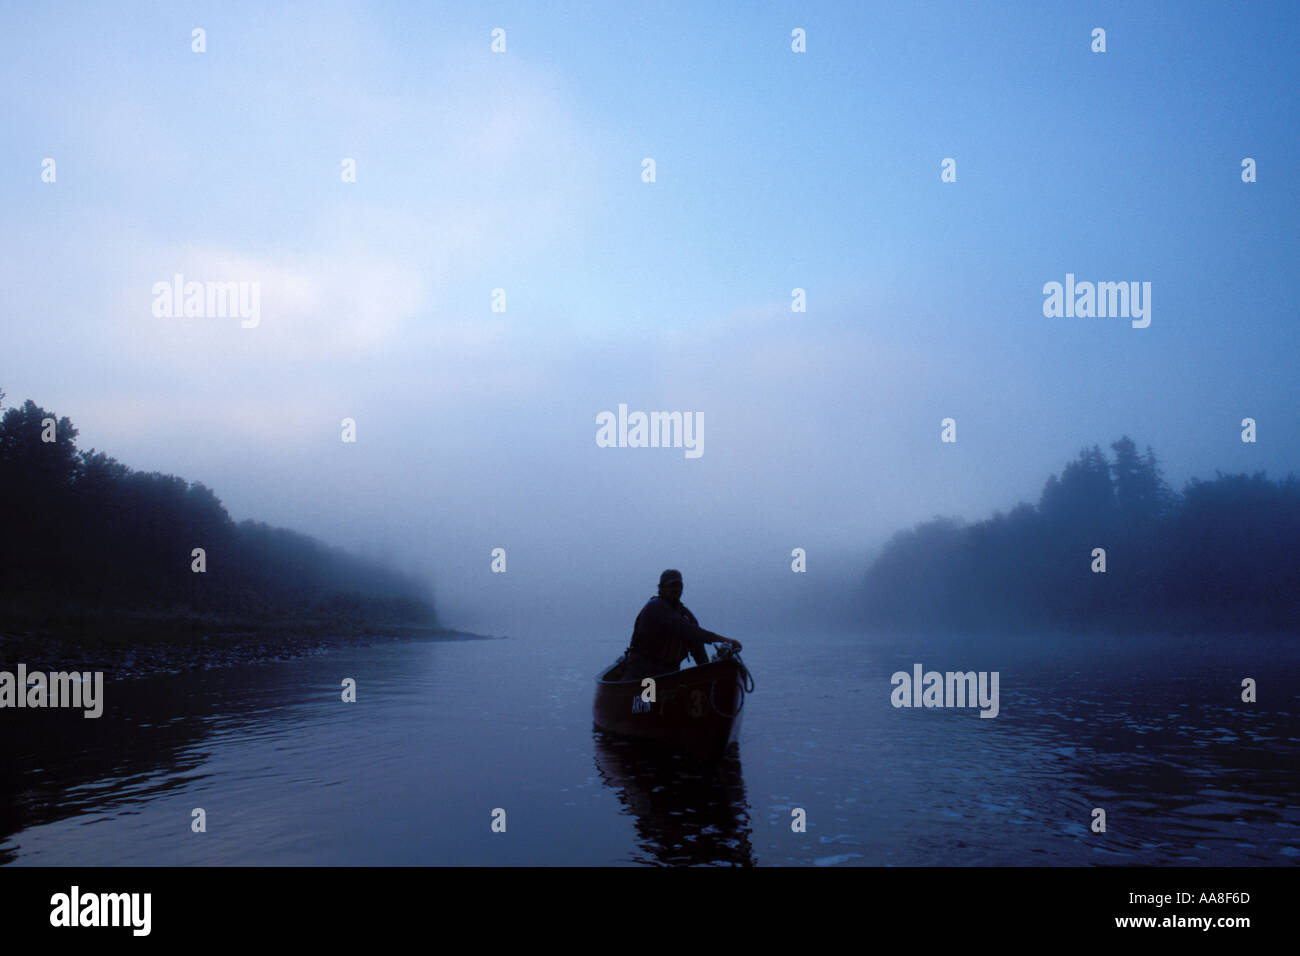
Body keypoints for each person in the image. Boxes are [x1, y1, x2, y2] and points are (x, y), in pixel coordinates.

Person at [620, 569, 741, 681]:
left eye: (678, 586)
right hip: (643, 675)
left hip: (669, 674)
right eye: (671, 586)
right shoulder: (655, 607)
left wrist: (708, 672)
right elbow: (688, 630)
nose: (676, 589)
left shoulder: (686, 616)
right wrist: (724, 640)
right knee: (648, 698)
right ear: (661, 588)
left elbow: (697, 645)